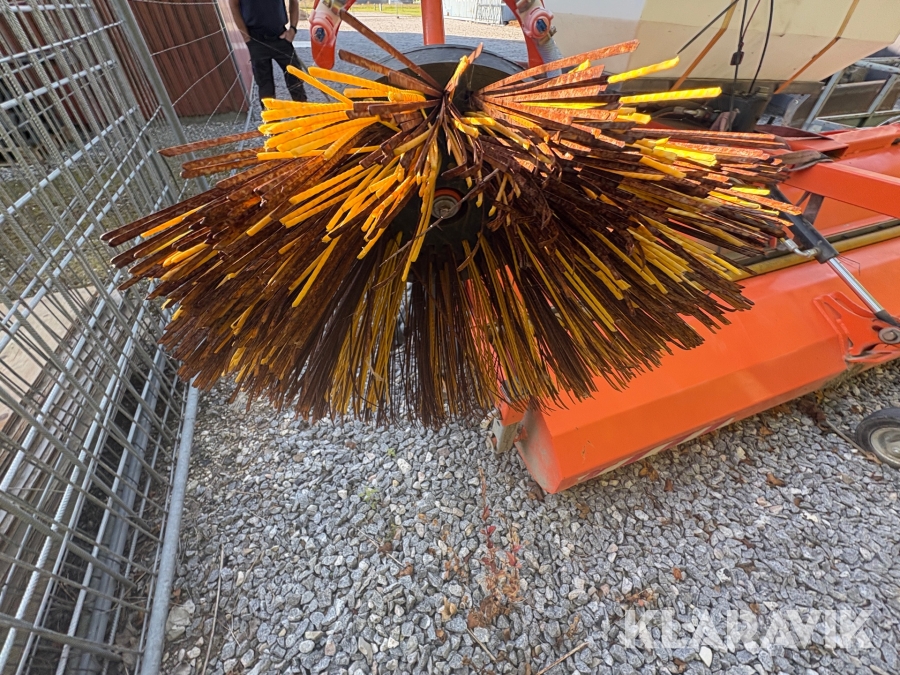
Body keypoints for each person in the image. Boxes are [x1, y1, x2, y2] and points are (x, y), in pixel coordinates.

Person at [230, 0, 308, 103]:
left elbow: (294, 2)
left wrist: (292, 29)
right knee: (265, 87)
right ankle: (270, 113)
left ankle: (303, 111)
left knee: (296, 79)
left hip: (281, 37)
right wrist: (246, 37)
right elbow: (233, 5)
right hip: (256, 39)